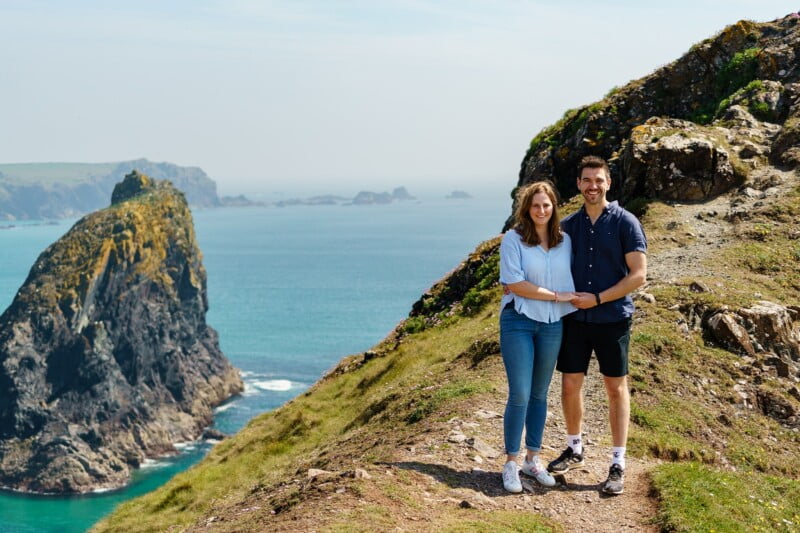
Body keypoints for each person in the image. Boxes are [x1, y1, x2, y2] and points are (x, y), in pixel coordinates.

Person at [546, 155, 647, 495]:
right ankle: (575, 448)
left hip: (613, 319)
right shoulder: (568, 227)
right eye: (587, 180)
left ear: (608, 183)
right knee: (569, 385)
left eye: (598, 180)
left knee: (615, 388)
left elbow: (639, 276)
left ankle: (618, 462)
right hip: (575, 319)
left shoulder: (626, 222)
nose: (593, 186)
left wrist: (599, 298)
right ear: (578, 184)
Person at [499, 181, 577, 493]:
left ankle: (533, 459)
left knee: (539, 394)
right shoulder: (513, 239)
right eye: (535, 206)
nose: (541, 210)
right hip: (518, 320)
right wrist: (558, 296)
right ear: (526, 209)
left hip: (552, 324)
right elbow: (515, 283)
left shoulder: (565, 241)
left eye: (546, 205)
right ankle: (510, 463)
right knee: (519, 392)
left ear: (554, 207)